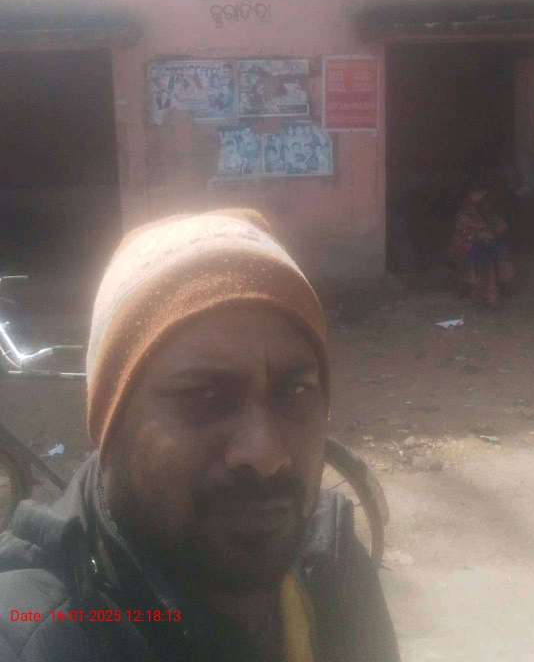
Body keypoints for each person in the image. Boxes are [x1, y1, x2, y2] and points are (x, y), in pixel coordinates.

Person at [0, 208, 400, 662]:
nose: (265, 453)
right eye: (205, 397)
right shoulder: (36, 636)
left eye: (295, 391)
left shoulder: (332, 563)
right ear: (112, 425)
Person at [450, 183, 515, 307]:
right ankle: (485, 293)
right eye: (479, 198)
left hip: (490, 244)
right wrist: (479, 235)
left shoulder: (490, 213)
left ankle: (500, 286)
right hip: (469, 246)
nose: (483, 202)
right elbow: (463, 233)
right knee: (484, 256)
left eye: (485, 198)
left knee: (499, 250)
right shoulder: (464, 215)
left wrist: (492, 232)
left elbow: (502, 227)